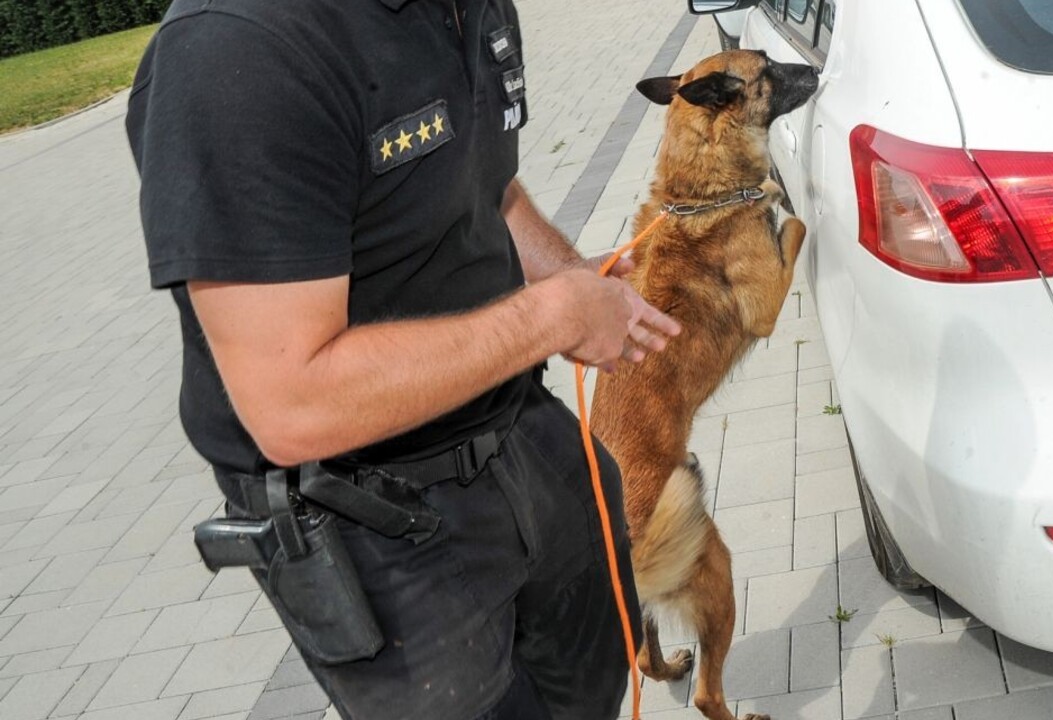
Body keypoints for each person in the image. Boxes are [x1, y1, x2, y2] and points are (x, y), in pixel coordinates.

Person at [125, 1, 681, 718]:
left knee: (595, 678)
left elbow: (481, 181)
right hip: (371, 515)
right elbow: (294, 402)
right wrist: (552, 318)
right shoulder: (236, 52)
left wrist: (573, 278)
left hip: (517, 429)